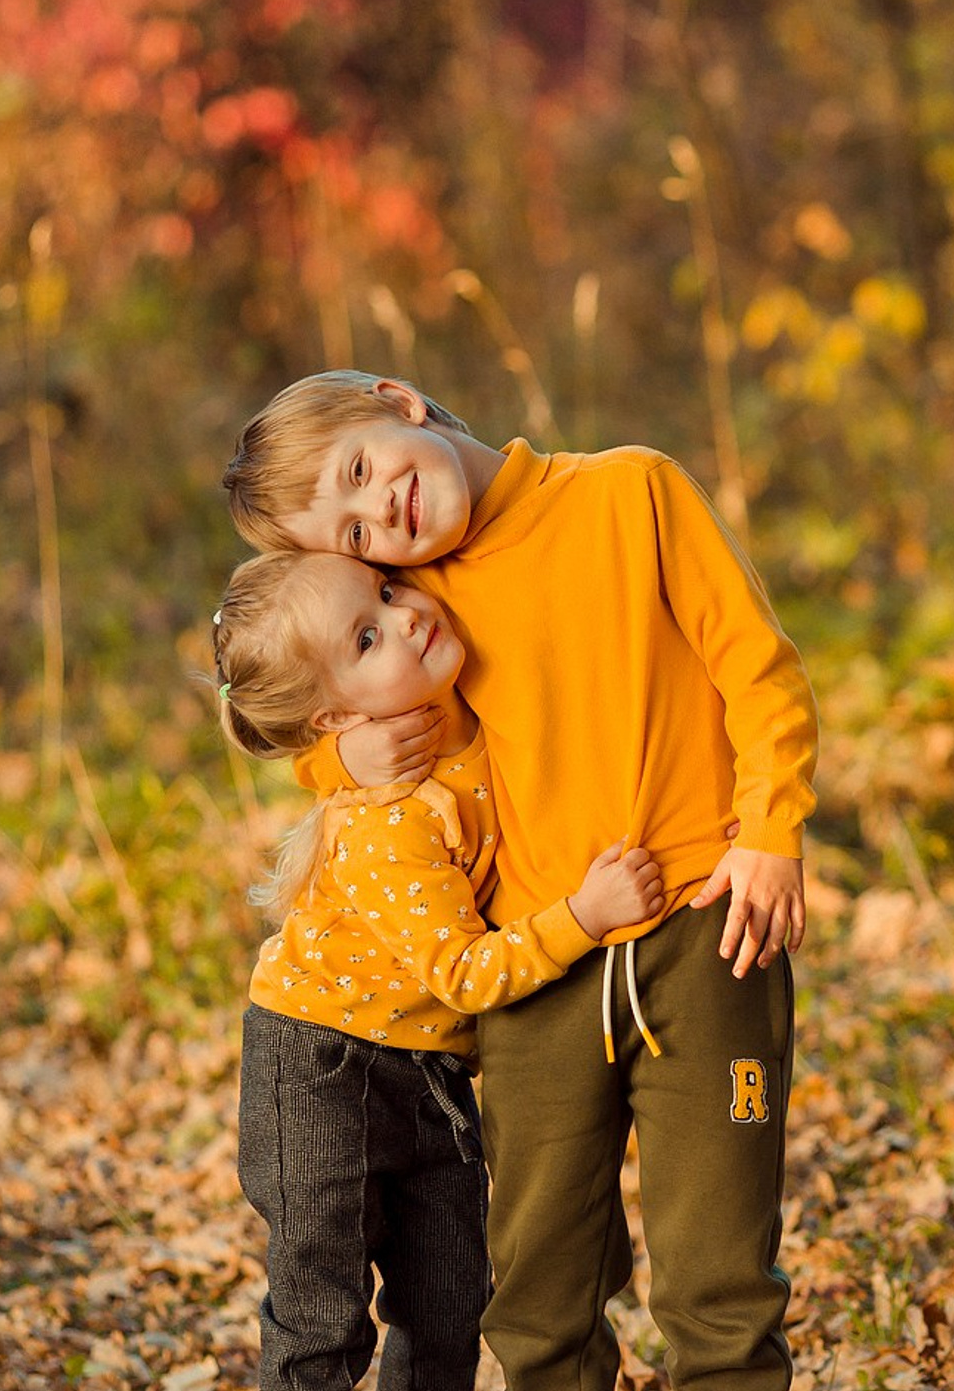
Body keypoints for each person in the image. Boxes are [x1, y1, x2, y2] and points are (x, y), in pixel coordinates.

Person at [223, 372, 818, 1391]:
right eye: (357, 536)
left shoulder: (632, 494)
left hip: (710, 925)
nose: (384, 515)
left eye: (360, 470)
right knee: (539, 1290)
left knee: (717, 1276)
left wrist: (771, 829)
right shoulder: (419, 606)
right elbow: (331, 711)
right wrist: (340, 766)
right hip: (541, 965)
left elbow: (757, 670)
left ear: (398, 398)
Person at [212, 545, 666, 1391]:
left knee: (450, 1304)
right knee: (323, 1315)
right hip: (320, 1062)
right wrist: (583, 917)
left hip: (430, 1067)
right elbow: (463, 973)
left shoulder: (456, 701)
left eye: (386, 592)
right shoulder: (389, 820)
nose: (406, 615)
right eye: (366, 638)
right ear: (336, 719)